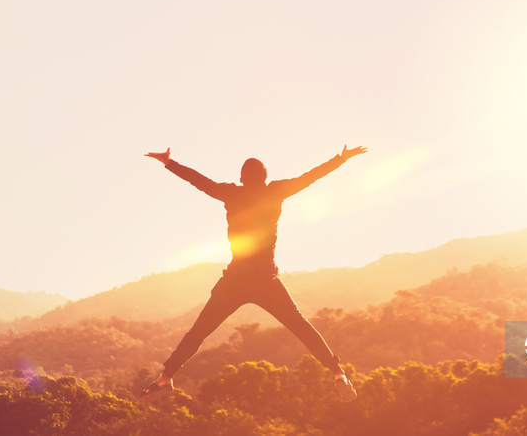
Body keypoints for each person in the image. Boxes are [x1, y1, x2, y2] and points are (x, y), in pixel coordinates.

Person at [138, 145, 367, 404]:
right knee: (301, 326)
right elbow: (310, 177)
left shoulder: (230, 193)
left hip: (235, 279)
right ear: (265, 177)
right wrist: (341, 158)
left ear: (241, 178)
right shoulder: (276, 191)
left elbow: (198, 181)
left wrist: (169, 163)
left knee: (199, 331)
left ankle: (166, 377)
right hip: (266, 278)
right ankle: (338, 373)